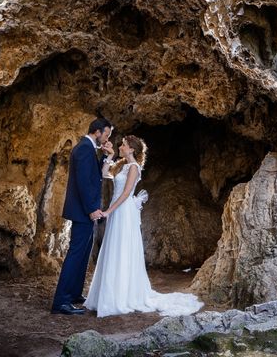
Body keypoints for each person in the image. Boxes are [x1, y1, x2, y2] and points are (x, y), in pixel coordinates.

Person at [84, 135, 204, 318]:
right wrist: (108, 156)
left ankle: (122, 296)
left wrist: (108, 211)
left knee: (122, 249)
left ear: (131, 149)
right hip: (117, 211)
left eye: (123, 145)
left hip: (123, 212)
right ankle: (109, 294)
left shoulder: (134, 167)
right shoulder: (121, 165)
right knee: (113, 249)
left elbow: (125, 194)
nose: (120, 146)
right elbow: (104, 174)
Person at [51, 118, 114, 315]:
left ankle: (75, 293)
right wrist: (91, 209)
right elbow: (84, 183)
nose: (106, 139)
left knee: (84, 254)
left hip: (83, 211)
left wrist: (106, 157)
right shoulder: (85, 149)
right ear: (97, 132)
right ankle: (61, 302)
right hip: (83, 211)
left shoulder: (87, 148)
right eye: (106, 135)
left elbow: (94, 176)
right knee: (75, 254)